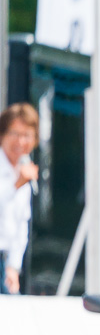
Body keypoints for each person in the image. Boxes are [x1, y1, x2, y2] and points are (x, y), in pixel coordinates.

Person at [0, 104, 40, 294]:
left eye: (27, 135)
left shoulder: (23, 169)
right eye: (15, 134)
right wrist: (17, 184)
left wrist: (14, 267)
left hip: (5, 260)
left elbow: (21, 224)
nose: (21, 142)